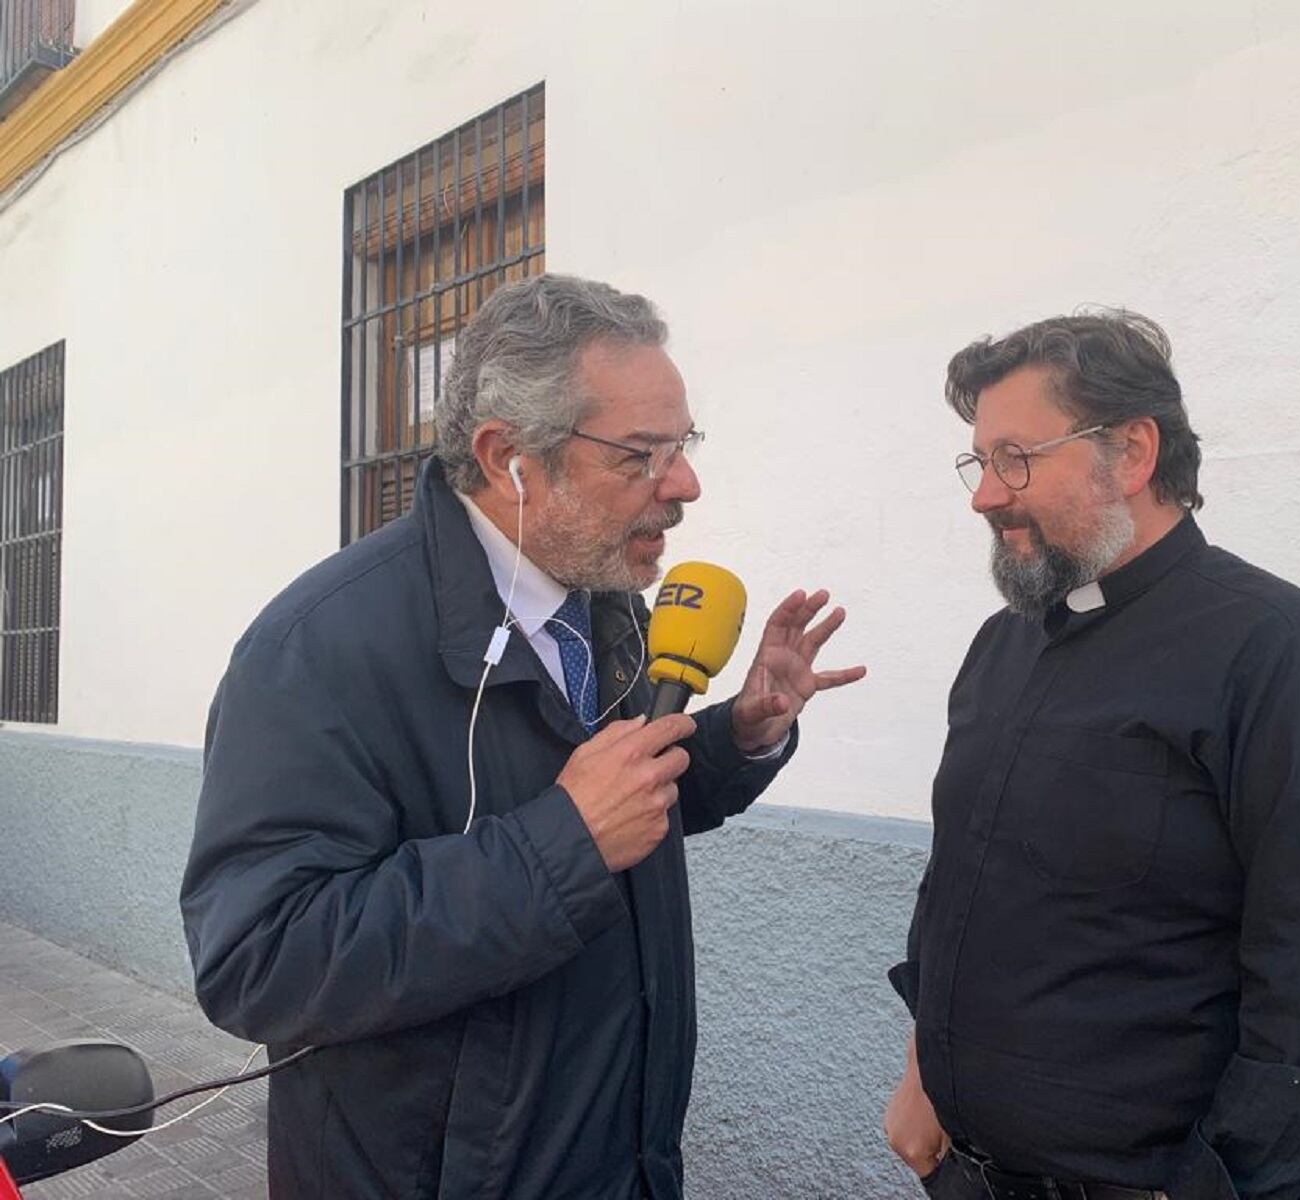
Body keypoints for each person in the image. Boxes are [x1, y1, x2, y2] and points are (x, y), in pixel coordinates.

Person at [181, 274, 864, 1199]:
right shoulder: (318, 649)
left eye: (684, 444)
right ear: (509, 458)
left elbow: (618, 802)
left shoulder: (602, 597)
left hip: (614, 1156)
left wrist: (736, 737)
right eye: (641, 454)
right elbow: (263, 960)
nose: (687, 485)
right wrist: (564, 843)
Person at [883, 310, 1300, 1200]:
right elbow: (963, 882)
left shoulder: (1288, 659)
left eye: (1015, 458)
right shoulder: (1004, 645)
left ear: (1132, 452)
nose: (986, 495)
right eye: (978, 462)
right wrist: (921, 1069)